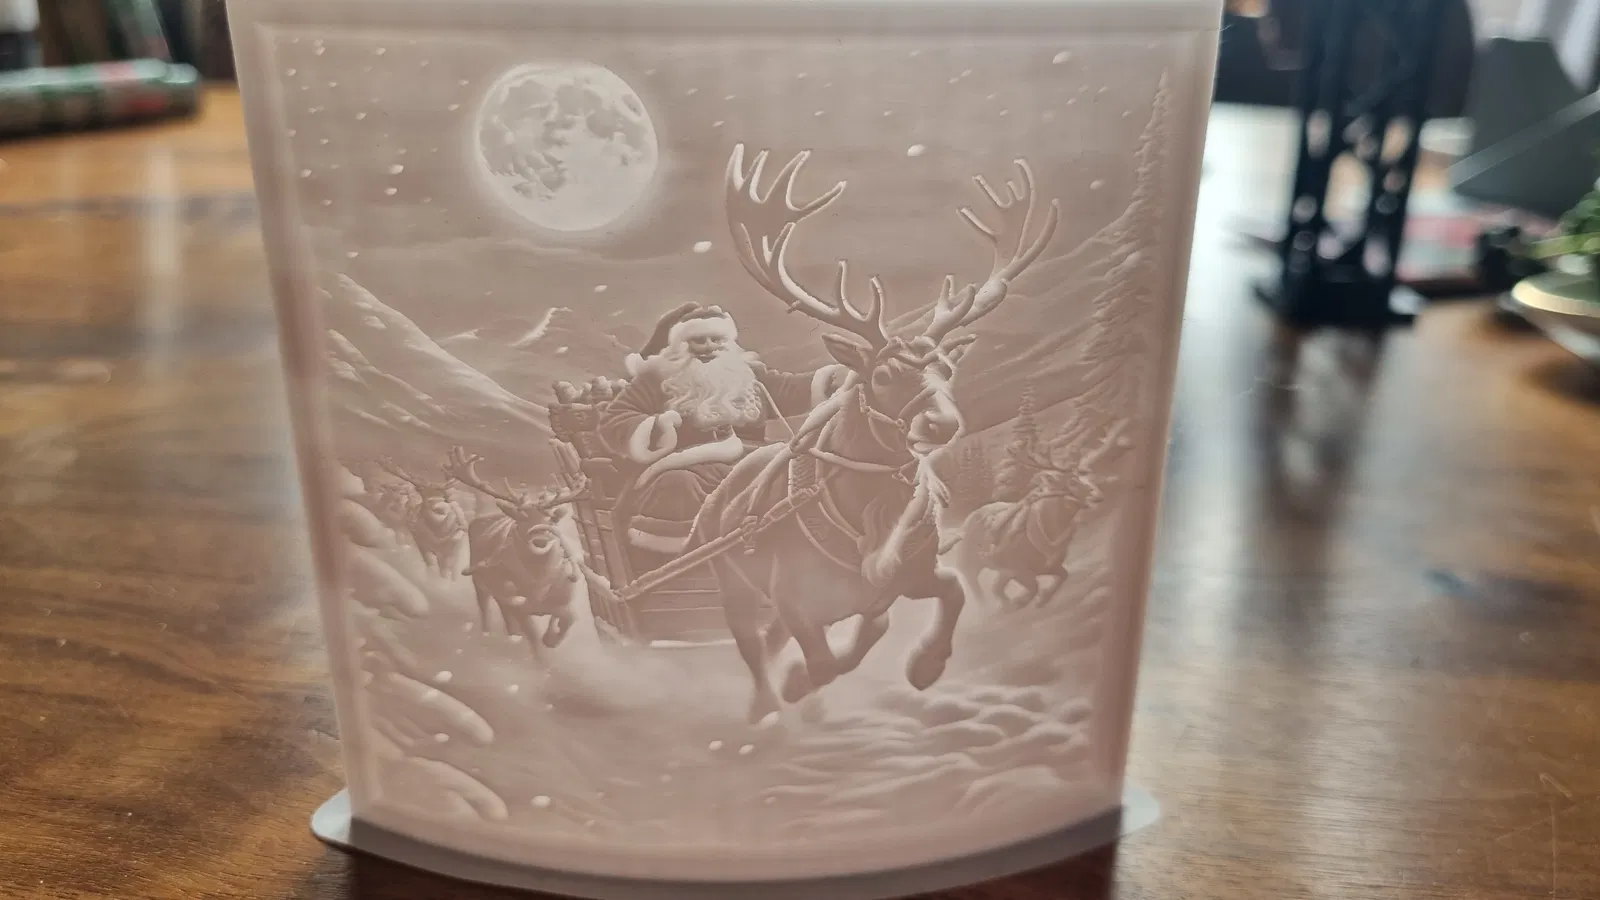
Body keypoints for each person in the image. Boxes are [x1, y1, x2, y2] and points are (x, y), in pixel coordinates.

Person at [598, 303, 848, 557]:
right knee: (677, 486)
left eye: (716, 339)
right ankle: (680, 561)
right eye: (699, 340)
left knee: (794, 479)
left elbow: (789, 388)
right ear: (681, 345)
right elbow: (616, 417)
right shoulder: (658, 378)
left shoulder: (747, 374)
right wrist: (658, 427)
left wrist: (831, 380)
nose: (709, 346)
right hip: (686, 467)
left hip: (751, 461)